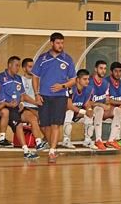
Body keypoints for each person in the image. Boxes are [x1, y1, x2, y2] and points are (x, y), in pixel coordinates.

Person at [32, 32, 76, 163]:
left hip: (60, 97)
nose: (60, 45)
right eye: (58, 43)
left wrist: (62, 86)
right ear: (51, 43)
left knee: (55, 124)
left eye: (62, 43)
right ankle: (51, 143)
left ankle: (52, 150)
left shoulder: (67, 59)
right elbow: (35, 76)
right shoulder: (42, 58)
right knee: (44, 125)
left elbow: (73, 80)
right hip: (44, 96)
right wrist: (36, 94)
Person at [0, 56, 39, 159]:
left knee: (32, 117)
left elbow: (22, 95)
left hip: (17, 106)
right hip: (6, 107)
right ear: (10, 65)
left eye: (19, 66)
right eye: (16, 65)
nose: (18, 68)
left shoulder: (18, 78)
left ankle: (38, 142)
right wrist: (9, 104)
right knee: (18, 124)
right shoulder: (0, 78)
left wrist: (35, 102)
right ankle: (26, 150)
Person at [88, 60, 121, 150]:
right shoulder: (89, 83)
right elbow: (87, 102)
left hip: (102, 109)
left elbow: (107, 99)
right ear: (96, 69)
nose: (103, 71)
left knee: (118, 111)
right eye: (101, 68)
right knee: (99, 109)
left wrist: (107, 104)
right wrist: (100, 104)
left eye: (104, 69)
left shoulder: (105, 83)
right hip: (91, 109)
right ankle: (98, 140)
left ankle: (111, 140)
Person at [62, 69, 94, 149]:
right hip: (64, 112)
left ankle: (87, 140)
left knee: (90, 115)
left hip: (77, 112)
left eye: (88, 79)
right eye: (84, 79)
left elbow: (86, 103)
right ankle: (66, 140)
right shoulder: (70, 88)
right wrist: (84, 111)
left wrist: (89, 110)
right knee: (70, 112)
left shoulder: (89, 89)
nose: (87, 81)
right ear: (78, 79)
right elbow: (69, 105)